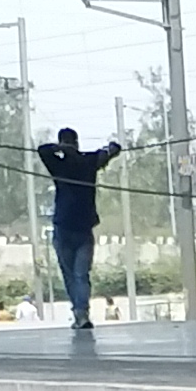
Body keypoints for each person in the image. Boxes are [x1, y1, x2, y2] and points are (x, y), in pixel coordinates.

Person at [36, 127, 123, 328]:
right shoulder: (88, 162)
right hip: (82, 228)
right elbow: (111, 151)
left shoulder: (59, 165)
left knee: (72, 275)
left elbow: (43, 150)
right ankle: (81, 313)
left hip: (65, 227)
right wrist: (109, 149)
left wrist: (61, 149)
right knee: (80, 275)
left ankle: (80, 313)